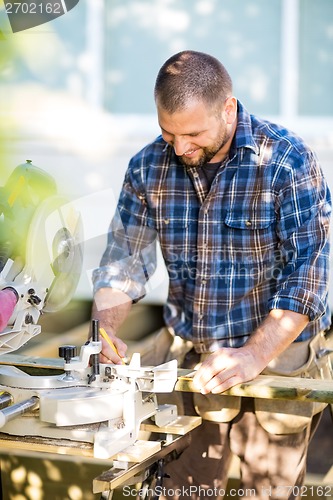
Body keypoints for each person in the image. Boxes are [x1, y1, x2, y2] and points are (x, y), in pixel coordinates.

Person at [91, 51, 332, 499]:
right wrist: (103, 330)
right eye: (168, 132)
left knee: (272, 493)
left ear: (228, 108)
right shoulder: (148, 166)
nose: (180, 148)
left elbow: (310, 275)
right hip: (191, 361)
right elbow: (123, 259)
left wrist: (251, 357)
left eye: (194, 134)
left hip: (277, 362)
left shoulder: (286, 162)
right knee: (183, 492)